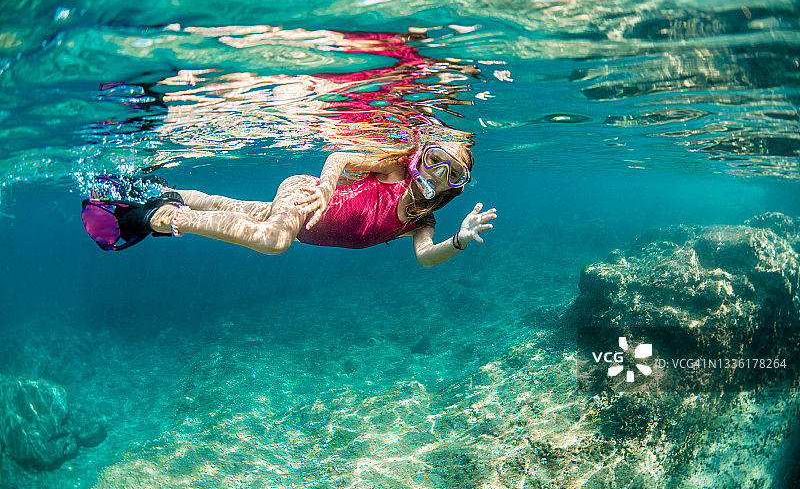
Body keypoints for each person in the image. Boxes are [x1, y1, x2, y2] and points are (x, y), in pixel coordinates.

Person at [81, 140, 496, 267]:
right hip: (305, 194)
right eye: (435, 162)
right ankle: (163, 217)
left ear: (457, 187)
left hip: (304, 226)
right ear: (420, 156)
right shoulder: (393, 171)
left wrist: (458, 239)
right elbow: (340, 158)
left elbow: (425, 258)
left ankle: (155, 191)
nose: (438, 175)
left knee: (235, 208)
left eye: (452, 174)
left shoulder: (423, 220)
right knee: (273, 239)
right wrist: (328, 188)